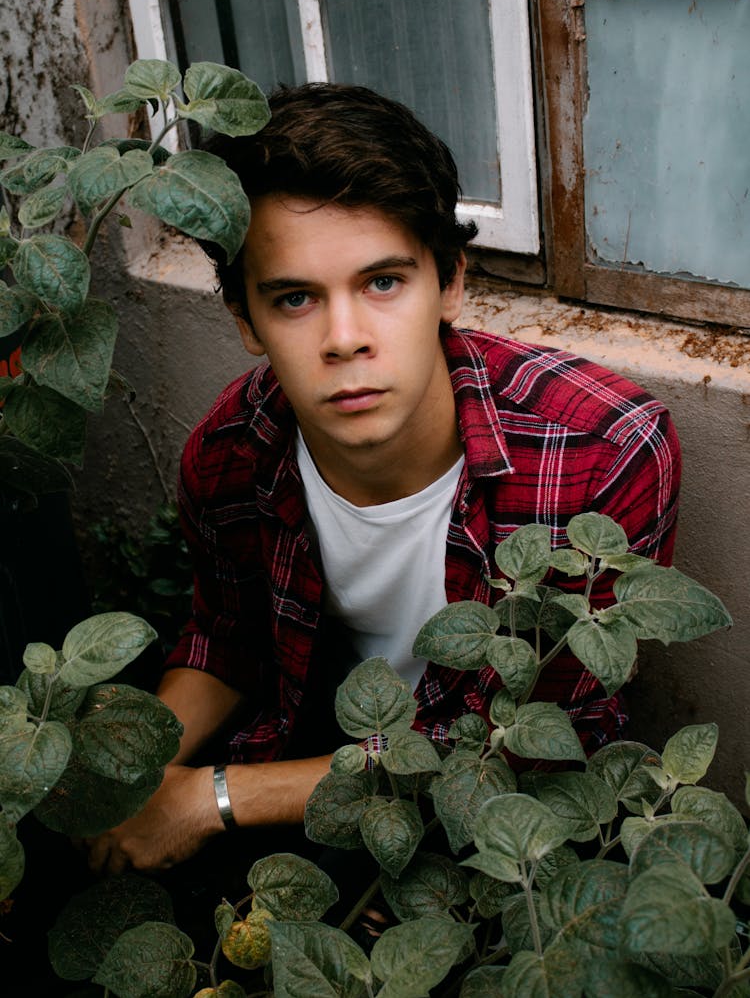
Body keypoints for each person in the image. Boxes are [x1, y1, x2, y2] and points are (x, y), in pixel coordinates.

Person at [83, 83, 681, 887]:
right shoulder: (231, 451)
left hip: (514, 854)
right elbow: (229, 637)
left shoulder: (603, 455)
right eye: (295, 298)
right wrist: (138, 773)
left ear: (452, 283)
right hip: (317, 766)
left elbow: (519, 752)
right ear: (245, 320)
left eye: (384, 283)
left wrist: (211, 798)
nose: (344, 339)